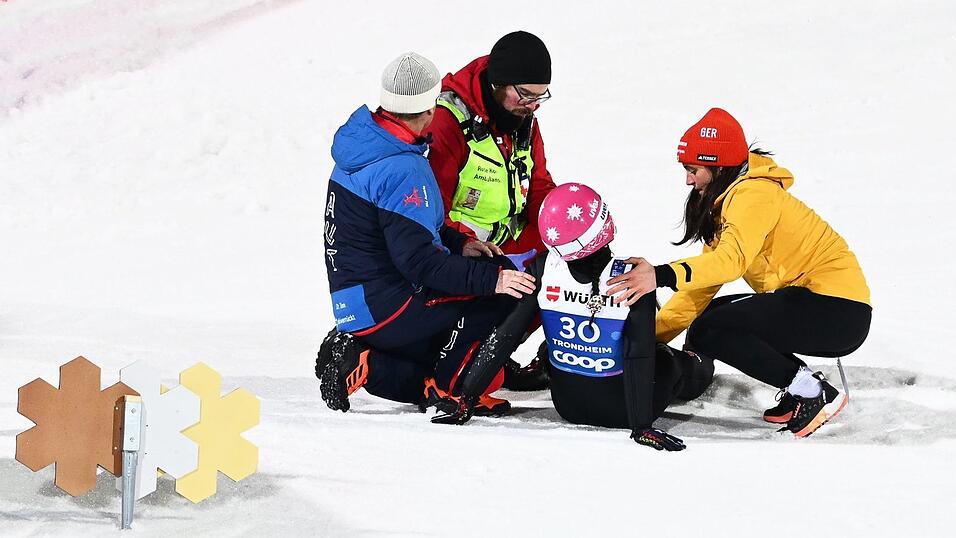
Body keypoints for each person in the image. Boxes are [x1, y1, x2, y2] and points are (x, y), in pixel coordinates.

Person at [607, 108, 872, 437]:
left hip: (837, 311)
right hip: (815, 303)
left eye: (693, 170)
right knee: (711, 317)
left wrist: (659, 275)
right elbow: (701, 287)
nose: (688, 180)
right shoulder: (729, 199)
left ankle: (811, 391)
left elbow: (730, 262)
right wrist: (647, 340)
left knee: (712, 330)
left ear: (717, 166)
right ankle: (803, 386)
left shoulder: (753, 196)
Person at [316, 52, 537, 414]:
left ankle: (367, 362)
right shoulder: (403, 167)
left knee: (450, 338)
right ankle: (457, 388)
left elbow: (402, 230)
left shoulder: (365, 146)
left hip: (356, 304)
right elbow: (419, 263)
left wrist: (460, 244)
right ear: (431, 106)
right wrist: (493, 280)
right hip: (389, 306)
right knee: (506, 292)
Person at [428, 183, 715, 451]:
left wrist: (467, 399)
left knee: (550, 347)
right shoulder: (635, 277)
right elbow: (638, 354)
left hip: (568, 406)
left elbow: (504, 337)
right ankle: (698, 356)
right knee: (669, 359)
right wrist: (642, 426)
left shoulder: (543, 267)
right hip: (625, 411)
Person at [425, 30, 558, 391]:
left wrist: (569, 224)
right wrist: (466, 245)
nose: (533, 105)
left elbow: (539, 185)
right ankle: (461, 356)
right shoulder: (448, 121)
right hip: (460, 250)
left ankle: (498, 353)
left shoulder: (522, 116)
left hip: (508, 247)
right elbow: (432, 210)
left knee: (564, 263)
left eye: (540, 96)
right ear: (498, 83)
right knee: (516, 283)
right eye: (525, 94)